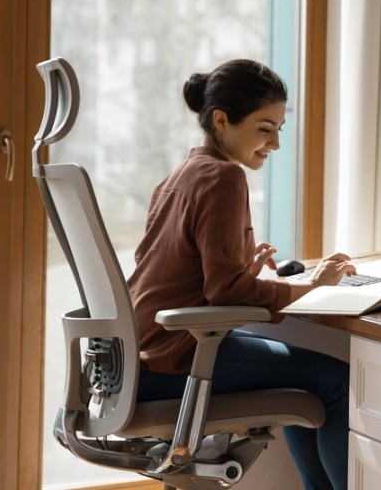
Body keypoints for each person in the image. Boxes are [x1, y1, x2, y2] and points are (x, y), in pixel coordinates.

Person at [128, 58, 355, 490]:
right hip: (178, 358)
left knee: (312, 389)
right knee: (339, 384)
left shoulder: (182, 174)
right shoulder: (224, 177)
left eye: (279, 130)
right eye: (264, 128)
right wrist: (310, 284)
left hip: (142, 354)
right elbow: (224, 290)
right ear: (222, 120)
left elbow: (194, 278)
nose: (275, 144)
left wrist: (243, 273)